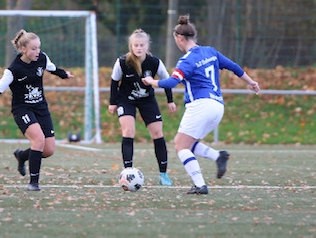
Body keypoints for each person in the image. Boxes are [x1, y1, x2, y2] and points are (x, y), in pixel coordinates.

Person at [142, 15, 260, 194]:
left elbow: (171, 82)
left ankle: (200, 185)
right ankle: (218, 156)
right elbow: (233, 66)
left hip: (201, 105)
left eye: (175, 40)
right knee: (188, 142)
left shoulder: (187, 61)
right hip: (218, 106)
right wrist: (251, 82)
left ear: (180, 38)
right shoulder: (210, 51)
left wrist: (152, 82)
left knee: (180, 145)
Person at [0, 29, 74, 191]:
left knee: (48, 150)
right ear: (23, 49)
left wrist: (64, 74)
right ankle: (34, 183)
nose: (37, 51)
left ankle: (22, 155)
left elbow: (52, 68)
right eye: (34, 48)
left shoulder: (42, 58)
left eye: (39, 47)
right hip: (22, 109)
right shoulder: (13, 69)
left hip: (41, 108)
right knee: (38, 140)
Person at [109, 29, 176, 186]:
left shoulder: (154, 63)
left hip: (147, 100)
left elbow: (166, 80)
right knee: (128, 131)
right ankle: (128, 172)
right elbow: (114, 82)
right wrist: (112, 102)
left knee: (157, 133)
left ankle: (163, 174)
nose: (139, 48)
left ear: (147, 46)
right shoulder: (122, 62)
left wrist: (170, 100)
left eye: (142, 45)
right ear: (131, 46)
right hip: (126, 100)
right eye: (136, 45)